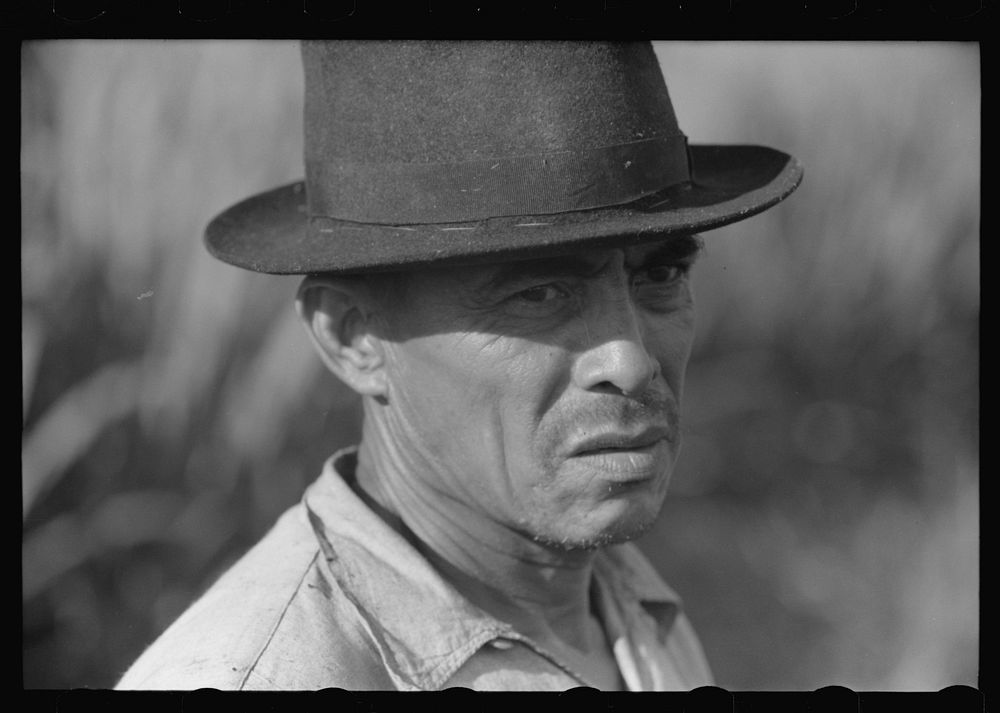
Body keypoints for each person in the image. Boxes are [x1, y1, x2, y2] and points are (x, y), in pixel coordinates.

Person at [116, 40, 802, 691]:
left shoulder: (625, 602)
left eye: (662, 272)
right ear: (354, 337)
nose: (628, 359)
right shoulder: (257, 674)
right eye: (538, 293)